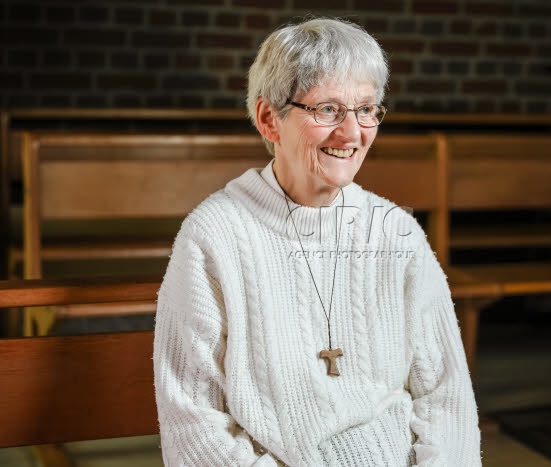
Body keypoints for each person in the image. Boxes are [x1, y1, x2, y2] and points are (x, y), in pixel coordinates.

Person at [154, 17, 481, 466]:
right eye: (328, 109)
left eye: (366, 109)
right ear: (270, 119)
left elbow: (446, 395)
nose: (352, 134)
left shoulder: (395, 231)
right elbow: (192, 424)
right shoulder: (214, 237)